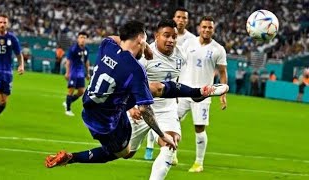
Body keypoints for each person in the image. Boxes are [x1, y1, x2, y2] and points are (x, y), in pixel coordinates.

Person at [44, 20, 228, 174]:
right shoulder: (134, 68)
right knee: (123, 152)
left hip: (95, 107)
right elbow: (145, 110)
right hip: (109, 121)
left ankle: (197, 92)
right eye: (146, 40)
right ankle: (72, 157)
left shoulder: (107, 46)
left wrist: (145, 46)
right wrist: (162, 134)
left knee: (155, 89)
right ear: (141, 39)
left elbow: (112, 38)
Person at [144, 7, 196, 162]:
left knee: (170, 145)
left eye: (174, 37)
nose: (171, 40)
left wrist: (176, 93)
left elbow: (176, 77)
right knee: (125, 151)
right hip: (143, 106)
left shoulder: (182, 55)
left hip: (167, 107)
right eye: (166, 36)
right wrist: (132, 107)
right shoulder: (144, 55)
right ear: (157, 36)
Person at [177, 16, 228, 173]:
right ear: (199, 28)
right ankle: (171, 154)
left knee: (199, 128)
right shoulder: (188, 43)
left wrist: (223, 94)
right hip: (184, 90)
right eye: (204, 27)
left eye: (210, 28)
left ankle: (199, 163)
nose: (206, 30)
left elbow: (222, 72)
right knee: (171, 120)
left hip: (203, 94)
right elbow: (179, 64)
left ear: (213, 29)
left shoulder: (218, 49)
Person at [0, 14, 24, 130]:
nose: (2, 24)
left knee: (3, 101)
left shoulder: (12, 39)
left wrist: (21, 65)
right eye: (0, 22)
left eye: (4, 22)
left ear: (7, 24)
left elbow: (19, 54)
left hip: (7, 72)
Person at [62, 32, 90, 116]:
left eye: (84, 38)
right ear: (78, 39)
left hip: (81, 73)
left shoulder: (86, 49)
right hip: (73, 72)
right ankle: (68, 110)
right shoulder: (73, 49)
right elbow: (68, 61)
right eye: (81, 37)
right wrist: (67, 72)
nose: (83, 39)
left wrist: (88, 73)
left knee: (81, 91)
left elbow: (86, 61)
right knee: (71, 90)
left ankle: (68, 101)